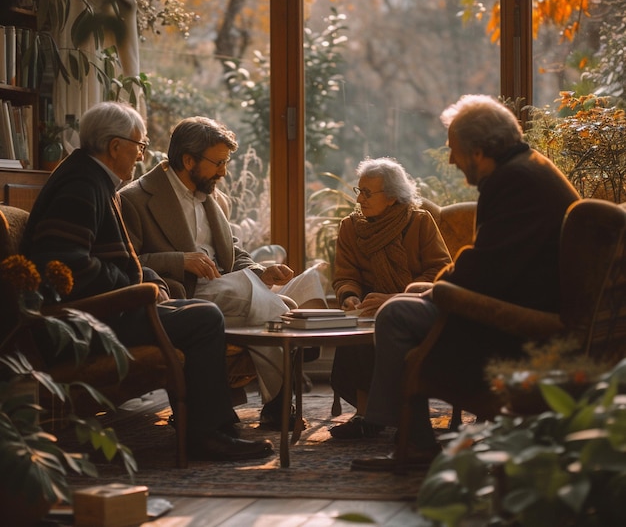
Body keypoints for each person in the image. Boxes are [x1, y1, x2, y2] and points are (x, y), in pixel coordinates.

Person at [20, 101, 274, 463]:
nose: (141, 156)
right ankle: (206, 436)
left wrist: (148, 279)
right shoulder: (81, 185)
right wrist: (136, 288)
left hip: (106, 312)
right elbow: (64, 265)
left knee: (197, 311)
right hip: (84, 323)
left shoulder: (90, 179)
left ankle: (218, 426)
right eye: (138, 146)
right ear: (115, 146)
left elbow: (113, 260)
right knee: (204, 318)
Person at [351, 94, 581, 471]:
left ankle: (410, 440)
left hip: (519, 322)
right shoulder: (531, 168)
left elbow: (487, 266)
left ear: (477, 150)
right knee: (405, 305)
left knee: (394, 315)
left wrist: (435, 287)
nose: (453, 161)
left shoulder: (512, 180)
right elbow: (495, 259)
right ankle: (406, 435)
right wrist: (436, 286)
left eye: (454, 151)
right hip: (531, 303)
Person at [119, 116, 327, 429]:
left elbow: (233, 251)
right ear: (188, 160)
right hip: (189, 298)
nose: (224, 172)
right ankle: (280, 405)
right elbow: (130, 263)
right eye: (218, 163)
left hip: (232, 292)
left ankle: (276, 400)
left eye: (226, 162)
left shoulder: (214, 197)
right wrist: (180, 261)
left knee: (309, 282)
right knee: (270, 305)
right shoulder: (134, 199)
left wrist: (261, 271)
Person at [329, 157, 452, 439]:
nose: (359, 199)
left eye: (367, 193)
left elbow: (441, 272)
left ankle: (395, 414)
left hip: (412, 304)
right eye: (358, 190)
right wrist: (349, 296)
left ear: (393, 197)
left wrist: (395, 297)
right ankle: (365, 416)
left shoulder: (419, 221)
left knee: (386, 321)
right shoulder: (350, 226)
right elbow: (345, 275)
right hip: (368, 305)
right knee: (358, 329)